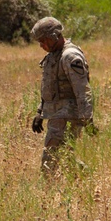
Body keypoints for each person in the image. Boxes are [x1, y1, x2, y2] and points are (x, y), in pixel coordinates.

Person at [30, 16, 93, 173]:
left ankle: (46, 194)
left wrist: (87, 118)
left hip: (68, 115)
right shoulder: (53, 55)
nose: (41, 45)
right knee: (65, 157)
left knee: (49, 159)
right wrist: (40, 112)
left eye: (43, 40)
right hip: (57, 114)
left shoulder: (70, 56)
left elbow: (82, 89)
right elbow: (49, 87)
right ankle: (86, 177)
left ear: (54, 36)